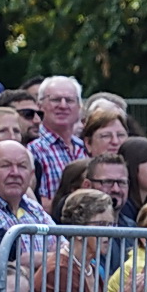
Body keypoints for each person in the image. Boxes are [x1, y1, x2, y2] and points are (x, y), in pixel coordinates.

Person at [0, 141, 58, 260]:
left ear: (31, 175)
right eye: (6, 165)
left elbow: (63, 250)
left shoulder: (34, 208)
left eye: (22, 166)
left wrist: (33, 259)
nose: (15, 173)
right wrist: (48, 258)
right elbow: (0, 261)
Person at [28, 76, 88, 208]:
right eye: (55, 100)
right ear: (40, 106)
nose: (63, 105)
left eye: (69, 100)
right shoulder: (32, 149)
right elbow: (34, 204)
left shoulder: (85, 148)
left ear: (79, 107)